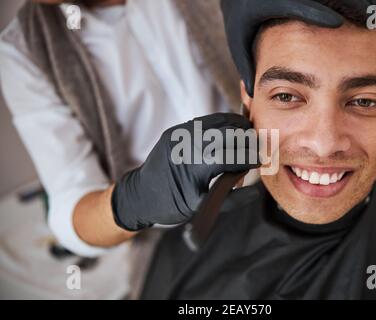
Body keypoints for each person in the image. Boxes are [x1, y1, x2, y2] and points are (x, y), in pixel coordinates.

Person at [137, 0, 376, 299]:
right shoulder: (183, 248)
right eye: (287, 96)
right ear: (248, 100)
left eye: (364, 101)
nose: (324, 144)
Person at [0, 0, 246, 298]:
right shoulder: (23, 47)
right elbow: (71, 204)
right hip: (170, 238)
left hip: (273, 181)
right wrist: (137, 200)